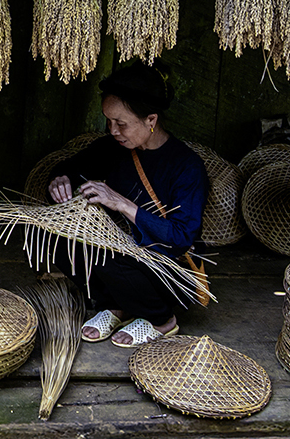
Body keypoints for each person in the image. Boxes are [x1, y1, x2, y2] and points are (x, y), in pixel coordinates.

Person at [47, 60, 207, 347]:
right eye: (108, 121)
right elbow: (69, 167)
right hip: (121, 258)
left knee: (109, 258)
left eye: (121, 123)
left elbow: (182, 236)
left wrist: (122, 203)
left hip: (167, 271)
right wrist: (59, 180)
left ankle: (161, 319)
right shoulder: (112, 148)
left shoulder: (186, 166)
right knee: (54, 239)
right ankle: (114, 306)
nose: (112, 130)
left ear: (151, 120)